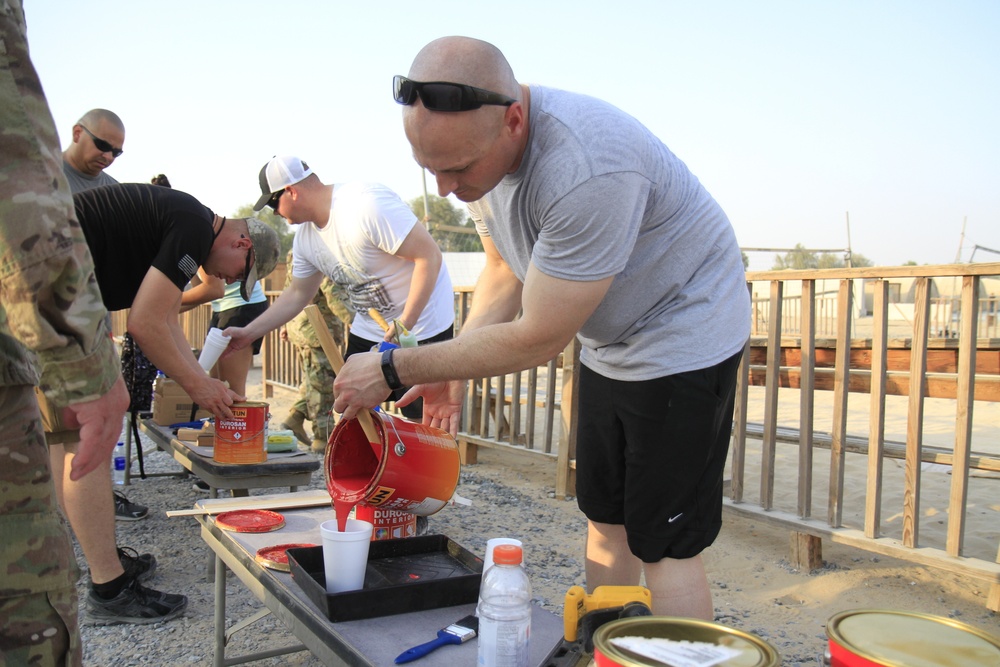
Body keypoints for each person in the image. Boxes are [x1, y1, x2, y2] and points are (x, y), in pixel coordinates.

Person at [333, 36, 751, 619]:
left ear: (514, 120)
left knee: (665, 541)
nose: (448, 190)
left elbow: (539, 337)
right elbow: (506, 268)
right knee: (606, 514)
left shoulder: (586, 165)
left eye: (457, 169)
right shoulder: (478, 153)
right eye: (430, 170)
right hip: (609, 339)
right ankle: (605, 644)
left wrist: (394, 366)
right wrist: (452, 367)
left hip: (682, 331)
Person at [40, 182, 280, 625]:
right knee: (89, 432)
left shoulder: (186, 219)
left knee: (66, 434)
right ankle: (109, 589)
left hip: (50, 291)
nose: (228, 281)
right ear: (241, 242)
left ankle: (94, 562)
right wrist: (197, 386)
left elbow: (166, 317)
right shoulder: (192, 227)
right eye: (237, 273)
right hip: (55, 297)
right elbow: (144, 323)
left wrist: (200, 380)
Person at [0, 1, 129, 661]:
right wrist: (90, 369)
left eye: (116, 152)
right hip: (34, 330)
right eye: (101, 144)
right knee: (27, 615)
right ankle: (109, 580)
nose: (107, 157)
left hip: (40, 324)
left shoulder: (109, 186)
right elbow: (19, 198)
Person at [225, 156, 454, 420]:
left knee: (424, 418)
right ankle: (373, 461)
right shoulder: (306, 240)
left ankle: (424, 459)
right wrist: (248, 333)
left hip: (422, 326)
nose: (274, 212)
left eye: (273, 203)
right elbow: (298, 294)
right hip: (370, 328)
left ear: (291, 191)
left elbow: (429, 256)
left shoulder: (366, 205)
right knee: (350, 406)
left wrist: (404, 324)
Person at [278, 251, 355, 452]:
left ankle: (295, 417)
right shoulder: (323, 251)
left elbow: (290, 287)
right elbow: (334, 295)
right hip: (317, 328)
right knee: (323, 385)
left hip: (302, 325)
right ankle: (323, 439)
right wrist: (357, 322)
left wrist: (285, 323)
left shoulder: (297, 251)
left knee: (314, 380)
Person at [62, 108, 124, 193]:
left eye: (116, 152)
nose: (108, 157)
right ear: (77, 133)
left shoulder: (117, 193)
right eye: (103, 145)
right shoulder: (42, 174)